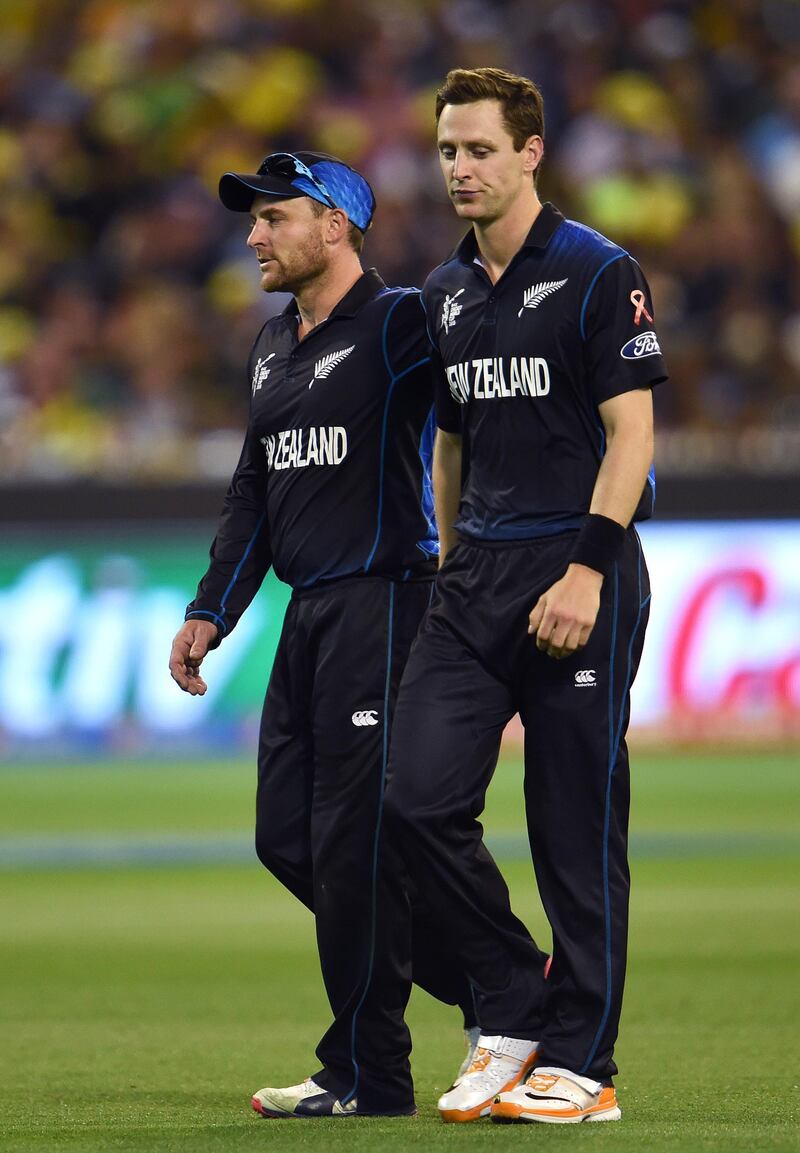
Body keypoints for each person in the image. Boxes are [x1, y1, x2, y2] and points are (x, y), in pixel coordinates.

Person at [168, 149, 511, 1119]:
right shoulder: (273, 344)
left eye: (271, 218)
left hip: (389, 602)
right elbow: (254, 493)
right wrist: (209, 608)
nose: (252, 237)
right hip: (309, 615)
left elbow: (473, 383)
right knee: (288, 840)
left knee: (353, 847)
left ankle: (366, 1072)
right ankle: (496, 983)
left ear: (334, 224)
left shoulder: (401, 321)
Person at [384, 68, 667, 1125]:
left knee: (572, 823)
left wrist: (587, 569)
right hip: (477, 575)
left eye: (477, 150)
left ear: (530, 152)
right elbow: (449, 439)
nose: (458, 168)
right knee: (411, 797)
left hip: (577, 564)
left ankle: (582, 1065)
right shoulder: (442, 294)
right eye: (447, 150)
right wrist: (451, 555)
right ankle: (512, 997)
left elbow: (632, 436)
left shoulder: (596, 270)